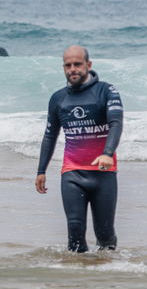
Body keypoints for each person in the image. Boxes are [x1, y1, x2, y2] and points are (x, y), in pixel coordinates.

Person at [35, 46, 123, 253]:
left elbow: (116, 123)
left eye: (77, 64)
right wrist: (41, 170)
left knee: (105, 234)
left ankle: (106, 274)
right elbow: (50, 135)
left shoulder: (106, 91)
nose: (72, 69)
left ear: (88, 65)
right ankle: (77, 278)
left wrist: (108, 153)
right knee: (74, 231)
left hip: (104, 174)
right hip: (72, 173)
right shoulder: (58, 99)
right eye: (68, 65)